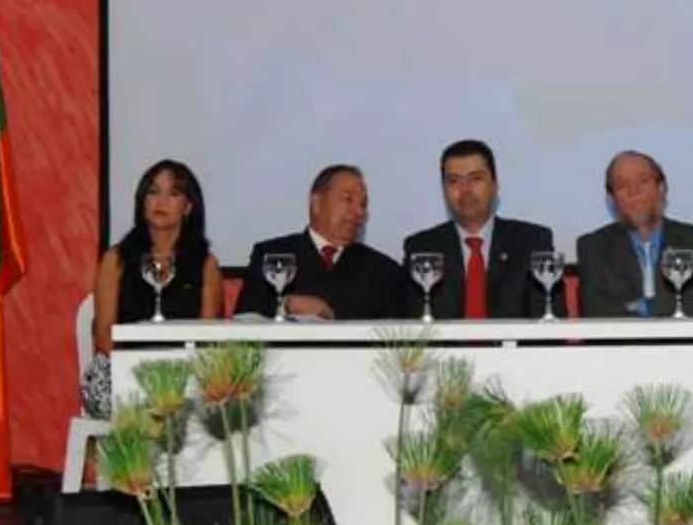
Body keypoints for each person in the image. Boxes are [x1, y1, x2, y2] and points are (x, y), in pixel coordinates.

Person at [81, 159, 224, 417]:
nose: (161, 201)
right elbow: (104, 337)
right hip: (122, 371)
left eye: (173, 193)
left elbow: (208, 341)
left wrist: (171, 380)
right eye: (153, 192)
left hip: (183, 378)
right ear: (142, 202)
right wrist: (144, 378)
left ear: (188, 207)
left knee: (215, 400)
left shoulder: (206, 265)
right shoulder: (116, 259)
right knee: (148, 403)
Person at [400, 139, 566, 319]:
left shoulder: (531, 241)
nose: (465, 190)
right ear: (444, 189)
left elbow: (548, 323)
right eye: (454, 181)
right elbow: (414, 325)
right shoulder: (422, 247)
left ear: (494, 185)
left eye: (476, 179)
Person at [234, 165, 408, 321]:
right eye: (348, 199)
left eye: (363, 204)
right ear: (316, 203)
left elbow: (396, 334)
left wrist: (335, 316)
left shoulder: (384, 270)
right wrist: (286, 305)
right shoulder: (271, 254)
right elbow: (245, 315)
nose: (358, 212)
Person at [576, 150, 693, 318]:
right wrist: (667, 305)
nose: (634, 192)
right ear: (612, 198)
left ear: (661, 189)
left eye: (643, 181)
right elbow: (597, 310)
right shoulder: (593, 247)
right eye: (622, 186)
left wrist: (641, 307)